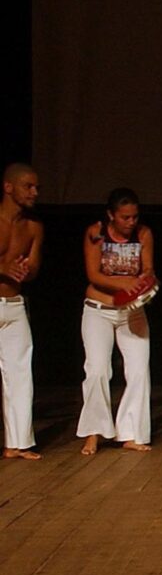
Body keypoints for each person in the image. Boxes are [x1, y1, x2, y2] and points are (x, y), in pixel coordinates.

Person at [78, 188, 155, 455]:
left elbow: (148, 268)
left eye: (134, 216)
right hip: (99, 309)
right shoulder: (96, 233)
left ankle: (131, 433)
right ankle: (94, 432)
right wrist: (125, 283)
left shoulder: (143, 234)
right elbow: (93, 274)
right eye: (125, 217)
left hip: (132, 311)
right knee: (98, 370)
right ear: (111, 215)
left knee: (138, 371)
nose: (131, 222)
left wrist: (144, 279)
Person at [0, 163, 43, 460]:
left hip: (14, 305)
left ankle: (17, 443)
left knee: (20, 375)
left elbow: (34, 267)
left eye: (36, 187)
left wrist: (26, 270)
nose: (34, 192)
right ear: (8, 187)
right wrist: (3, 267)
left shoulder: (33, 227)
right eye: (28, 186)